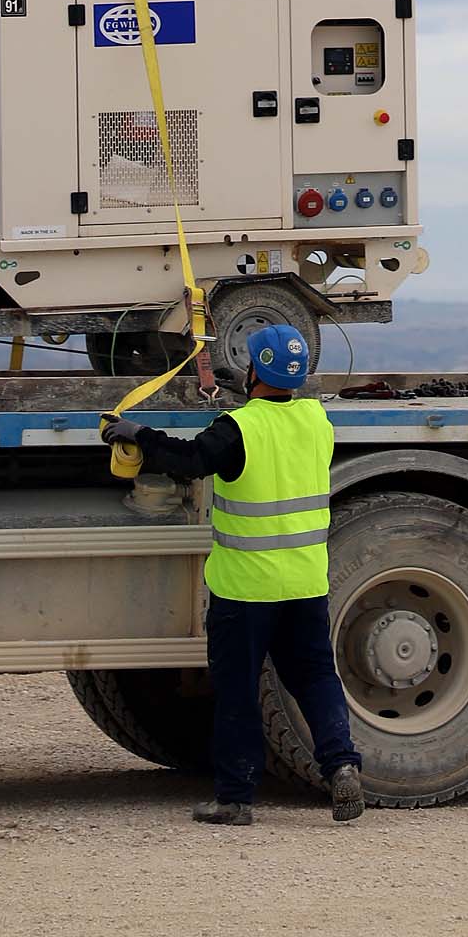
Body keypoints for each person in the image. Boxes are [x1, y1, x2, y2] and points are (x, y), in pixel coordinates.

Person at [101, 322, 363, 826]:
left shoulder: (238, 428)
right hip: (306, 582)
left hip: (246, 589)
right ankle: (342, 765)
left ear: (251, 369)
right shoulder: (316, 420)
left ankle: (236, 797)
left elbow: (192, 459)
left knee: (238, 688)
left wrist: (135, 434)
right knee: (314, 676)